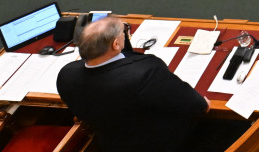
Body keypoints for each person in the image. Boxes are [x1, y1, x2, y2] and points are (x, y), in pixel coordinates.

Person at [57, 16, 208, 152]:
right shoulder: (146, 72)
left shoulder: (66, 75)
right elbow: (199, 106)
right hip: (159, 143)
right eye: (123, 32)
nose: (125, 34)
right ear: (116, 44)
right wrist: (202, 103)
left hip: (111, 143)